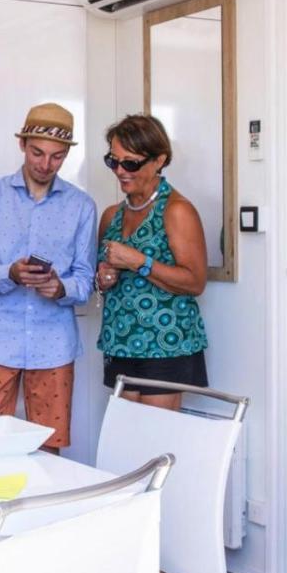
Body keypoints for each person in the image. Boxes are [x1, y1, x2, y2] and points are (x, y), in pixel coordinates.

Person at [0, 103, 97, 453]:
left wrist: (61, 288)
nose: (45, 164)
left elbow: (85, 280)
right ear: (22, 144)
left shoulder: (82, 206)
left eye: (57, 156)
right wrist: (10, 273)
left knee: (49, 451)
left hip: (54, 346)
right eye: (37, 153)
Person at [96, 114, 209, 411]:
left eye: (131, 163)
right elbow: (102, 278)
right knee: (125, 434)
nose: (120, 171)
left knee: (156, 434)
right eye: (113, 161)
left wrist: (137, 261)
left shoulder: (177, 211)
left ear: (159, 160)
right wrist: (104, 279)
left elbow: (195, 282)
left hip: (165, 342)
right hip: (121, 340)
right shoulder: (111, 216)